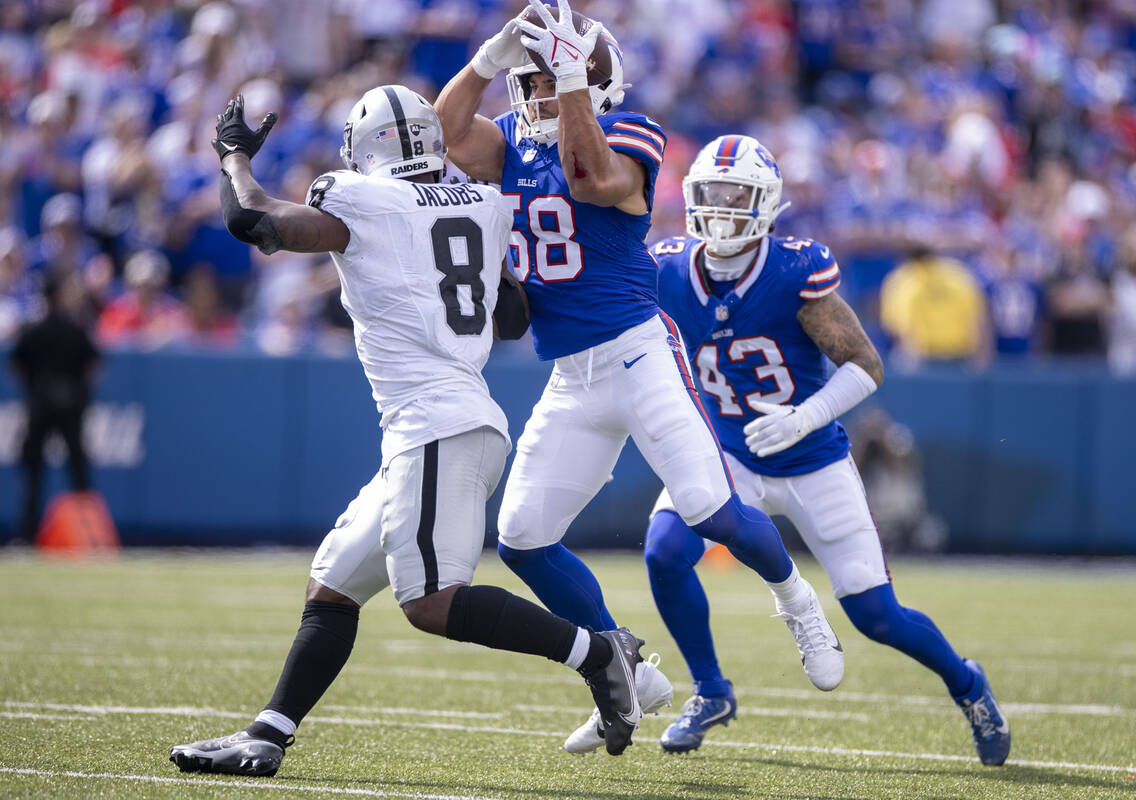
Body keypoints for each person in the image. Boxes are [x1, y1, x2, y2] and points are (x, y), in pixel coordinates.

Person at [169, 87, 651, 778]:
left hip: (436, 426)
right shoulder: (484, 203)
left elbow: (254, 219)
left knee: (429, 602)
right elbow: (510, 315)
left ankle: (600, 653)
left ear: (362, 151)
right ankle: (268, 734)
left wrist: (233, 156)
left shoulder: (358, 197)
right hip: (444, 424)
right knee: (332, 587)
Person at [435, 0, 843, 755]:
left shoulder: (630, 131)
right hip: (571, 376)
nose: (535, 98)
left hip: (639, 354)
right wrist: (487, 62)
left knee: (709, 510)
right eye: (529, 85)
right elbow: (444, 133)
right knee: (521, 537)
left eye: (548, 83)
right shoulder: (516, 146)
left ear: (595, 83)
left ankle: (797, 600)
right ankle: (623, 663)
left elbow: (591, 180)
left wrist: (571, 80)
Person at [644, 134, 1010, 765]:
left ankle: (968, 684)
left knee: (877, 616)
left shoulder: (793, 269)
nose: (724, 209)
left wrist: (802, 418)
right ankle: (709, 691)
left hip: (812, 459)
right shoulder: (668, 267)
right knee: (663, 550)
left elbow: (867, 366)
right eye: (713, 195)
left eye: (739, 197)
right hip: (728, 453)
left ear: (766, 205)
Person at [10, 273, 100, 543]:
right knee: (77, 473)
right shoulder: (73, 329)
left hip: (40, 407)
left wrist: (34, 387)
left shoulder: (35, 329)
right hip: (68, 408)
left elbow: (16, 364)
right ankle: (90, 537)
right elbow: (93, 365)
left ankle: (27, 536)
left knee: (35, 474)